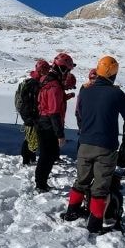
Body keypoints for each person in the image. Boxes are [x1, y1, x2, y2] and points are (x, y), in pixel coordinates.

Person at [61, 56, 125, 234]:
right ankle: (94, 224)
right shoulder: (116, 93)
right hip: (106, 146)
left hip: (85, 143)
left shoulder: (86, 91)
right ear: (113, 74)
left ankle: (72, 211)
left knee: (81, 180)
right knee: (100, 186)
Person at [34, 53, 74, 192]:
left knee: (47, 155)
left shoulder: (46, 80)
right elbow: (54, 112)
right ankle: (41, 184)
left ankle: (41, 182)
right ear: (62, 69)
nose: (68, 73)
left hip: (42, 121)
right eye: (68, 70)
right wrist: (60, 135)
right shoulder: (54, 86)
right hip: (48, 125)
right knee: (47, 156)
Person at [20, 58, 50, 165]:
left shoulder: (33, 82)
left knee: (31, 137)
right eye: (46, 70)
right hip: (32, 116)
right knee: (30, 138)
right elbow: (32, 102)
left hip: (29, 115)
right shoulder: (35, 84)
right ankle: (26, 159)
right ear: (42, 71)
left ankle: (30, 158)